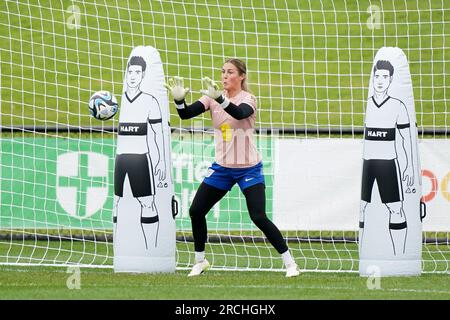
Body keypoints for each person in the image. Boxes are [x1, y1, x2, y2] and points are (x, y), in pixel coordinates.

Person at [165, 58, 300, 277]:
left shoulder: (249, 98)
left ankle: (290, 263)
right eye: (222, 72)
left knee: (258, 216)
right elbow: (185, 114)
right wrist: (179, 100)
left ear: (242, 76)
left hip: (249, 168)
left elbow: (240, 113)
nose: (224, 76)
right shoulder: (212, 97)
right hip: (222, 169)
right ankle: (200, 261)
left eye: (230, 72)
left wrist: (219, 98)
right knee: (196, 211)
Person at [360, 60, 414, 255]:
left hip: (388, 164)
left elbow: (406, 137)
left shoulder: (398, 106)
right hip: (368, 163)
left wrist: (408, 167)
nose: (380, 80)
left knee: (396, 209)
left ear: (391, 79)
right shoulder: (366, 104)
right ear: (373, 78)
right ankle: (363, 253)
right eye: (377, 76)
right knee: (362, 208)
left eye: (385, 77)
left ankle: (400, 256)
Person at [114, 55, 166, 249]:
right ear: (126, 74)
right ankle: (119, 248)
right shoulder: (119, 103)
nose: (133, 76)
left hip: (140, 160)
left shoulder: (150, 101)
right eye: (130, 72)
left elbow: (158, 133)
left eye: (137, 72)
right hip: (121, 159)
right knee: (117, 202)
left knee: (147, 203)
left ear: (143, 75)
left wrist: (160, 161)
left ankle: (151, 249)